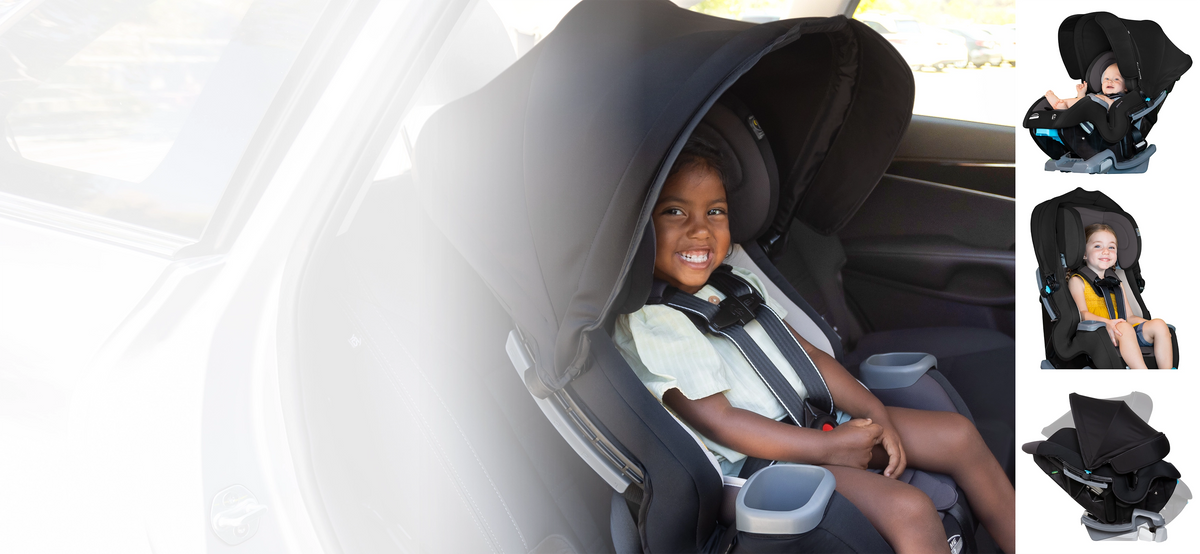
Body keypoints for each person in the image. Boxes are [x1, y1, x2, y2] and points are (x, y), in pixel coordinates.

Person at [613, 137, 1015, 554]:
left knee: (958, 436)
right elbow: (721, 421)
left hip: (818, 422)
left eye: (715, 211)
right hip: (763, 467)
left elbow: (810, 357)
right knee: (908, 509)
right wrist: (828, 448)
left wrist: (873, 412)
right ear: (639, 226)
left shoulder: (737, 284)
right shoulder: (652, 322)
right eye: (675, 211)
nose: (700, 229)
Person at [1068, 223, 1174, 369]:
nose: (1106, 251)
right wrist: (1108, 323)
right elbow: (1083, 314)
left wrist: (1149, 325)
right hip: (1097, 333)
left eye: (1111, 247)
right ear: (1084, 253)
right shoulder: (1077, 281)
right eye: (1098, 246)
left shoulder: (1117, 283)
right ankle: (1143, 374)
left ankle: (1166, 375)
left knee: (1159, 324)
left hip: (1123, 330)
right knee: (1123, 327)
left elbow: (1129, 317)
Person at [1045, 63, 1127, 110]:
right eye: (1106, 78)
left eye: (1116, 79)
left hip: (1098, 122)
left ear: (1126, 87)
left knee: (1099, 100)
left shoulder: (1122, 99)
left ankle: (1062, 103)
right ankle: (1064, 108)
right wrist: (1081, 93)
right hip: (1084, 116)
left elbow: (1114, 107)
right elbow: (1081, 102)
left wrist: (1104, 100)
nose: (1110, 81)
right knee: (1089, 99)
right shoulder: (1099, 94)